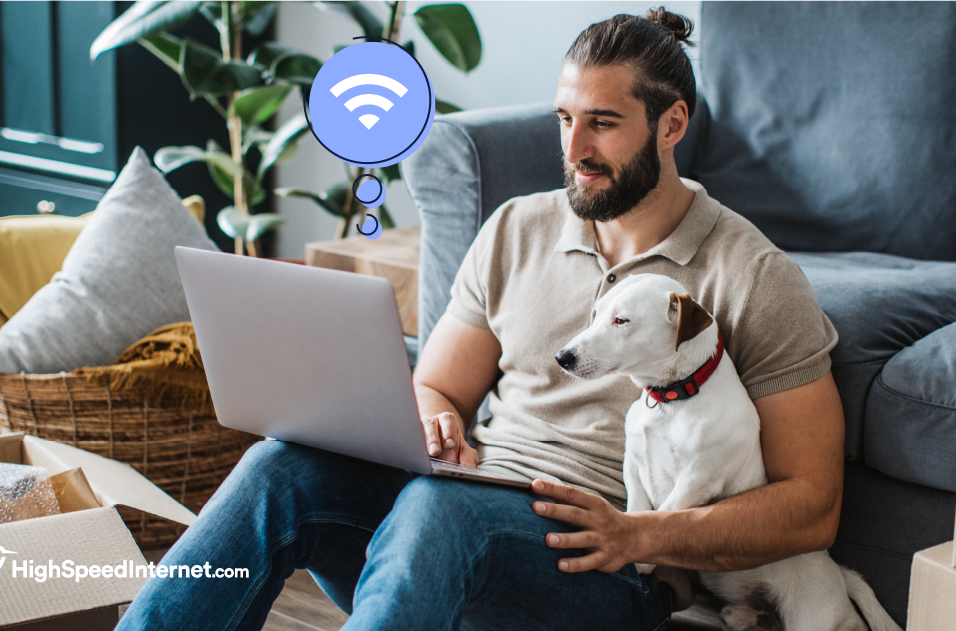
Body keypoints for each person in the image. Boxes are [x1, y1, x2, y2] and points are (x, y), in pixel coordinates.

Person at [116, 8, 843, 631]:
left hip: (608, 568)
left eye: (603, 124)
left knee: (437, 509)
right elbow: (436, 388)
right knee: (282, 467)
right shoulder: (515, 229)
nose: (574, 150)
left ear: (671, 123)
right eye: (564, 119)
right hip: (462, 512)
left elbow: (812, 507)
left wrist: (641, 534)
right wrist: (436, 421)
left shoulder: (752, 274)